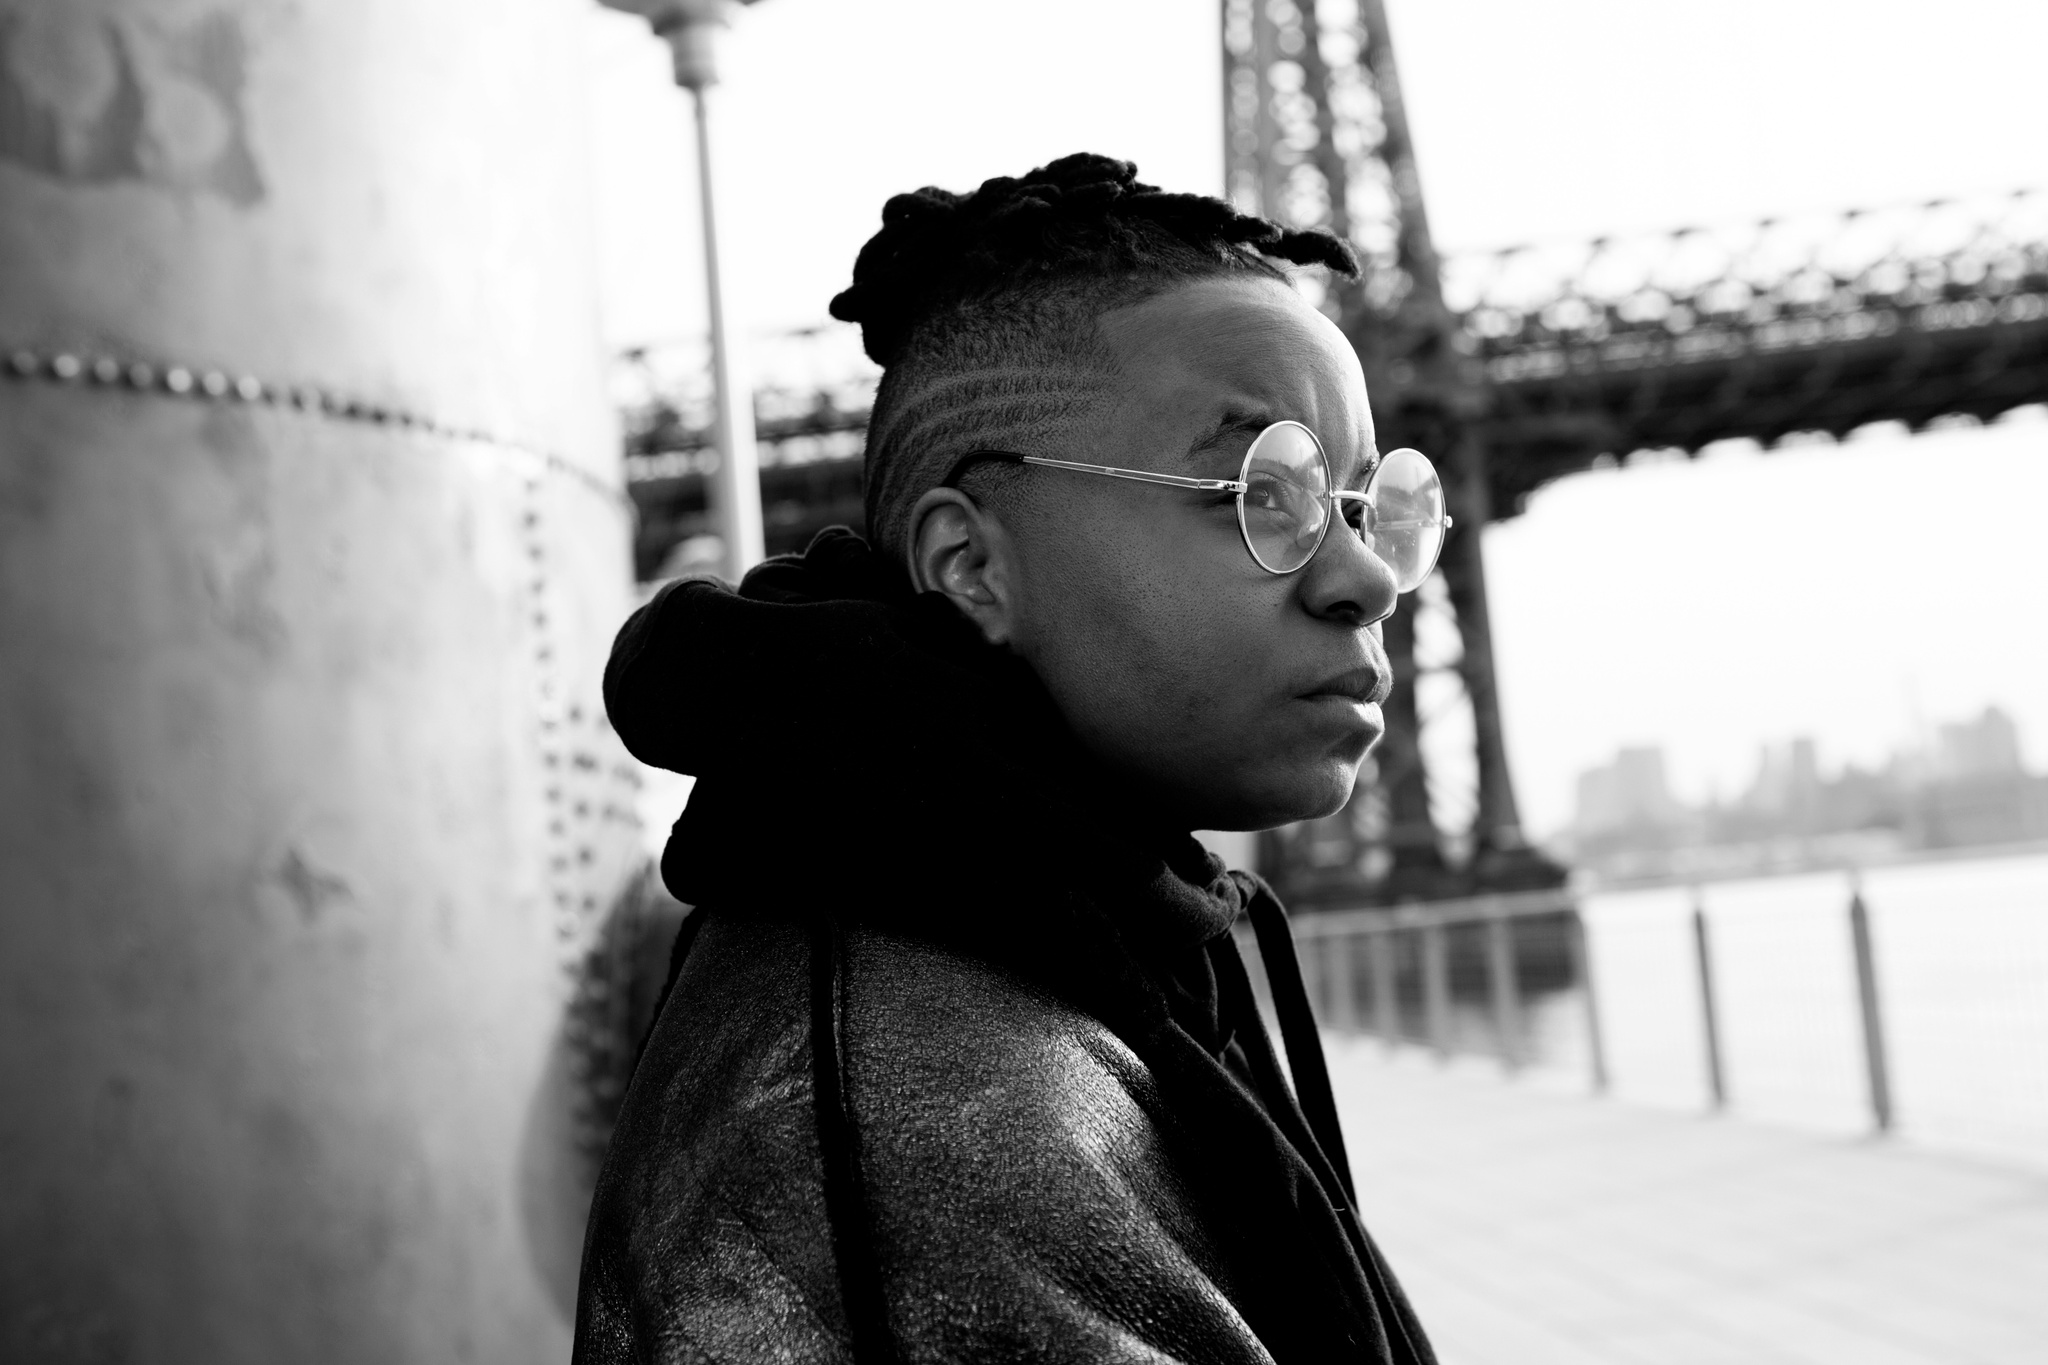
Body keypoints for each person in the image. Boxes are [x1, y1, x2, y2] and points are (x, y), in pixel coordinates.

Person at [574, 153, 1445, 1364]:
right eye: (1264, 490)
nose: (1361, 581)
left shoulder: (1061, 948)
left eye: (1361, 504)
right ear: (971, 567)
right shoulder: (920, 1121)